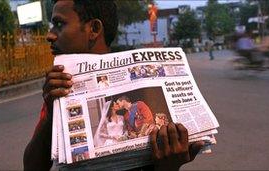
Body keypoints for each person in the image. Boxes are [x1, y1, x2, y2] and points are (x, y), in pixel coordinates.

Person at [23, 0, 204, 170]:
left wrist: (169, 166)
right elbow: (32, 167)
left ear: (94, 29)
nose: (50, 35)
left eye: (59, 24)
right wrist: (51, 109)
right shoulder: (62, 87)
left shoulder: (137, 108)